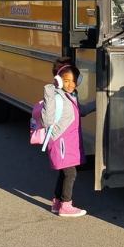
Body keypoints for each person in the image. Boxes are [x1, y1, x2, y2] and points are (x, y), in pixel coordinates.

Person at [42, 57, 95, 217]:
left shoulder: (72, 95)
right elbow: (47, 120)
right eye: (66, 81)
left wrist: (97, 104)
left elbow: (82, 111)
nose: (70, 84)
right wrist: (49, 93)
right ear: (58, 81)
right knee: (70, 173)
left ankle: (57, 203)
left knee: (64, 173)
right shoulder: (56, 96)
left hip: (69, 143)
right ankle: (66, 205)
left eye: (73, 81)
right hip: (61, 143)